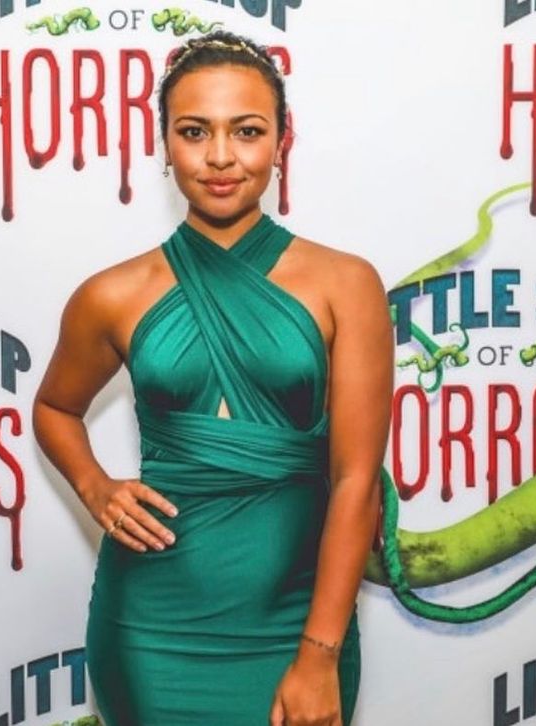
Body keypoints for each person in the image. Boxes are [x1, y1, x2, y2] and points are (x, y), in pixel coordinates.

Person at [32, 30, 392, 726]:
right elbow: (54, 407)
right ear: (164, 145)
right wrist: (96, 486)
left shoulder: (346, 284)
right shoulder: (112, 294)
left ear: (283, 141)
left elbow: (356, 480)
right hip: (149, 625)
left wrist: (319, 655)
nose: (220, 156)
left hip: (297, 620)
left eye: (247, 131)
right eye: (194, 132)